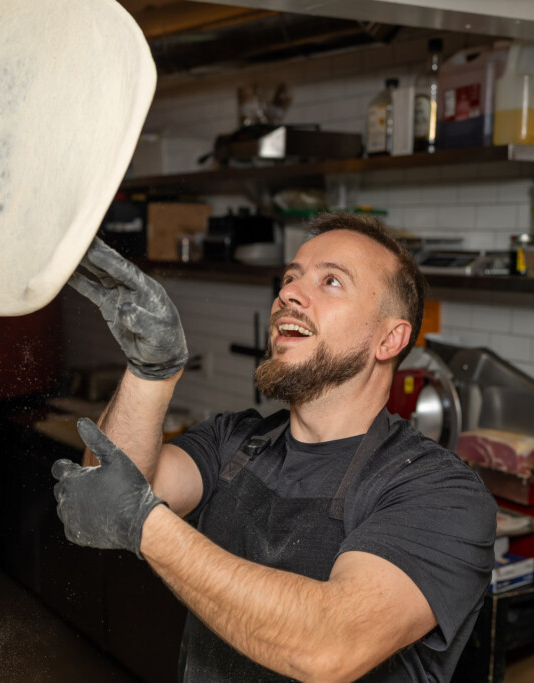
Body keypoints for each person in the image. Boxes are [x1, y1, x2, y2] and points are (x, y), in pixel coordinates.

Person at [52, 212, 496, 682]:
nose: (288, 294)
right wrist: (149, 369)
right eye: (290, 278)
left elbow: (329, 646)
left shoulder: (440, 493)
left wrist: (144, 523)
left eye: (331, 281)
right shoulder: (235, 439)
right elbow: (112, 481)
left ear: (389, 339)